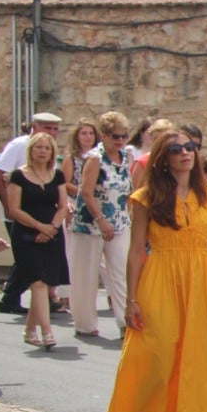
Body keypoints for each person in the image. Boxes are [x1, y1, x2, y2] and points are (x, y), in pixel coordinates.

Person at [104, 129, 207, 412]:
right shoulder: (146, 197)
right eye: (176, 149)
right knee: (154, 354)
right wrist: (131, 298)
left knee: (203, 362)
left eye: (189, 147)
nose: (185, 153)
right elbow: (135, 251)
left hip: (201, 281)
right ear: (163, 157)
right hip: (161, 277)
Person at [67, 111, 134, 339]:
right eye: (115, 136)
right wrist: (100, 219)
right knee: (86, 274)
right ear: (104, 135)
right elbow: (86, 192)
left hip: (120, 221)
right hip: (91, 222)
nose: (120, 140)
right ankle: (85, 323)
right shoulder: (95, 158)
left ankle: (125, 321)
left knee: (120, 271)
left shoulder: (126, 157)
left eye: (124, 135)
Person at [0, 111, 62, 315]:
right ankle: (13, 298)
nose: (52, 133)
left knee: (31, 258)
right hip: (18, 212)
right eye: (47, 128)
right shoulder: (19, 145)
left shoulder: (50, 150)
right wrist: (7, 204)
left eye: (55, 129)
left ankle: (13, 297)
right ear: (34, 127)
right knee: (27, 257)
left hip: (41, 213)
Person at [4, 131, 71, 350]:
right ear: (31, 150)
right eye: (38, 147)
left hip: (51, 233)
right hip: (26, 234)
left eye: (47, 148)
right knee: (38, 283)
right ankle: (47, 331)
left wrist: (51, 228)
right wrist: (38, 226)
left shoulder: (57, 175)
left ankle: (30, 329)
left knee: (42, 284)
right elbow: (14, 209)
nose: (42, 151)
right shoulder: (18, 176)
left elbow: (62, 206)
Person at [62, 117, 99, 201]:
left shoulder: (100, 157)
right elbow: (65, 183)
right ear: (77, 136)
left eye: (91, 133)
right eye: (84, 133)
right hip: (77, 200)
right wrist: (85, 193)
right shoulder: (71, 158)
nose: (88, 136)